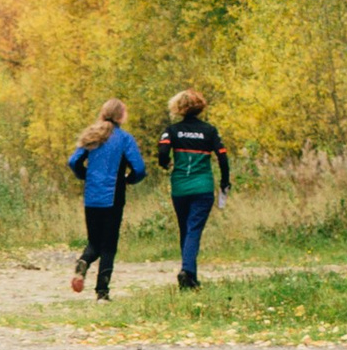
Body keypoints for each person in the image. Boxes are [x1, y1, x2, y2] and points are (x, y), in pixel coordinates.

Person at [66, 98, 146, 299]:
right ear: (121, 115)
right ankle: (102, 292)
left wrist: (85, 175)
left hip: (92, 196)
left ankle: (84, 261)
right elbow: (139, 168)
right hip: (113, 196)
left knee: (94, 242)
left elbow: (73, 161)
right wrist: (129, 179)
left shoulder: (92, 135)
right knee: (109, 245)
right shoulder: (125, 139)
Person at [157, 86, 230, 290]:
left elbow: (162, 152)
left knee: (185, 229)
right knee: (194, 230)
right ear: (200, 107)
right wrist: (225, 181)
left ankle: (191, 278)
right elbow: (222, 157)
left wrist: (166, 164)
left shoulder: (171, 130)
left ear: (178, 108)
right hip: (202, 187)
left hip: (180, 187)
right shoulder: (210, 130)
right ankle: (188, 271)